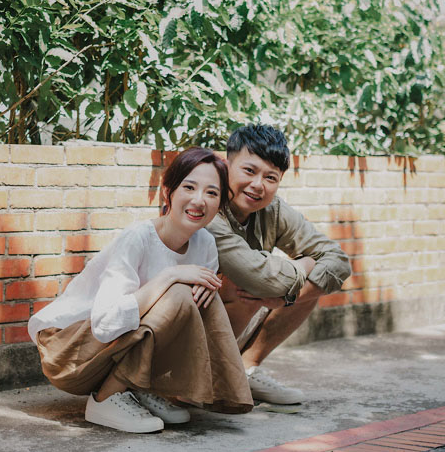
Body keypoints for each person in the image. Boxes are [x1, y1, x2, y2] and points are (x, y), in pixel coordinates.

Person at [28, 147, 253, 433]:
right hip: (69, 351)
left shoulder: (206, 244)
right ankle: (105, 399)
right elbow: (105, 324)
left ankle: (140, 386)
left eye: (211, 193)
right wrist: (169, 276)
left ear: (220, 203)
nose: (199, 200)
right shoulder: (138, 238)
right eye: (189, 187)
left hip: (111, 346)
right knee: (179, 293)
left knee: (201, 298)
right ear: (167, 192)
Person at [208, 124, 351, 411]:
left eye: (270, 177)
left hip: (233, 320)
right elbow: (257, 277)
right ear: (226, 165)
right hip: (188, 331)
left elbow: (338, 261)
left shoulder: (272, 210)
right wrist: (304, 264)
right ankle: (208, 378)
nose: (258, 184)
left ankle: (246, 369)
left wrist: (287, 297)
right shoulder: (209, 206)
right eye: (249, 171)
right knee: (245, 285)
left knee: (311, 285)